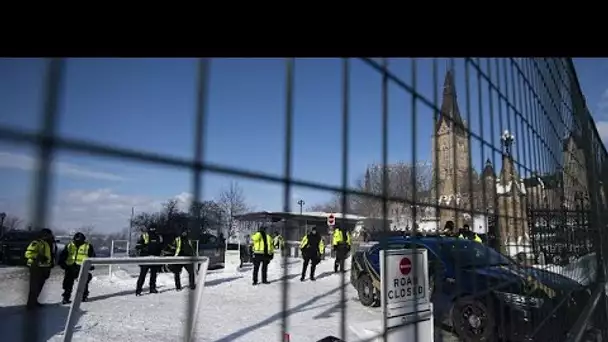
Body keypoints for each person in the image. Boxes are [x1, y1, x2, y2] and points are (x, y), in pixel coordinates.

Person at [58, 232, 96, 304]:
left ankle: (83, 296)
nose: (78, 241)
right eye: (77, 239)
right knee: (68, 283)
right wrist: (62, 263)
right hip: (70, 266)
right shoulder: (69, 245)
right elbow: (63, 255)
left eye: (80, 239)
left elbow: (92, 257)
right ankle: (66, 297)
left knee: (84, 282)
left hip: (82, 267)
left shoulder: (88, 246)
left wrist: (91, 265)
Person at [24, 228, 55, 310]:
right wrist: (38, 256)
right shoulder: (36, 242)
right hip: (35, 267)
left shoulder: (48, 243)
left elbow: (50, 255)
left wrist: (51, 263)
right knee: (34, 286)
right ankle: (30, 305)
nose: (49, 236)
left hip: (44, 267)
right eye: (48, 235)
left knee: (39, 286)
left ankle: (34, 301)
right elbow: (28, 253)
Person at [135, 224, 163, 296]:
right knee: (143, 275)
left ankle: (152, 288)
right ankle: (138, 290)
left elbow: (161, 247)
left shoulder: (158, 236)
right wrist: (145, 248)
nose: (153, 230)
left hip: (155, 258)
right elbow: (138, 246)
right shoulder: (145, 235)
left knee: (153, 275)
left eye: (154, 228)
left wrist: (160, 255)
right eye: (152, 228)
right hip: (145, 258)